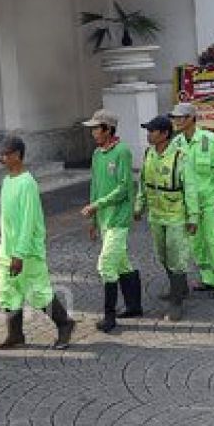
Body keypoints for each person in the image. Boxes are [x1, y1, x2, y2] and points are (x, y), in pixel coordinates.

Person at [0, 135, 74, 348]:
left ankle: (64, 324)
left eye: (5, 155)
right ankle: (15, 334)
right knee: (7, 291)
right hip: (7, 249)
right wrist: (5, 247)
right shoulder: (7, 181)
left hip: (26, 252)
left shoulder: (27, 184)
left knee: (38, 291)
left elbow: (29, 223)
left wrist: (19, 254)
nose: (1, 159)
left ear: (17, 156)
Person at [81, 110, 140, 332]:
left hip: (119, 218)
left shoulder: (122, 151)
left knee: (106, 265)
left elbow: (124, 188)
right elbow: (94, 187)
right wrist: (94, 220)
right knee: (122, 262)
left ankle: (109, 316)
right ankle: (135, 306)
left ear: (108, 129)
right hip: (104, 219)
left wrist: (97, 205)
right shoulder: (97, 154)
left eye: (96, 128)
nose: (93, 133)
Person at [135, 116, 198, 321]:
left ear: (164, 134)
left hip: (176, 215)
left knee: (176, 257)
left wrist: (193, 217)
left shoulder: (180, 156)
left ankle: (176, 302)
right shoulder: (149, 154)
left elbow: (190, 188)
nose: (148, 134)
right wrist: (139, 206)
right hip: (156, 215)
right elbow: (143, 183)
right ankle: (179, 288)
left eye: (152, 131)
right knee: (163, 255)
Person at [169, 103, 214, 298]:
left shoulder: (209, 139)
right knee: (195, 242)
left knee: (213, 240)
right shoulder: (176, 143)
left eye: (180, 117)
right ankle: (207, 278)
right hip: (188, 203)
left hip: (208, 199)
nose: (177, 121)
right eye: (175, 118)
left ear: (191, 118)